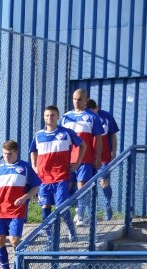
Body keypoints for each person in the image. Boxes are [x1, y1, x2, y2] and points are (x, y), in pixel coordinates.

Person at [0, 140, 41, 269]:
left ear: (16, 153)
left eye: (9, 154)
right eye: (4, 154)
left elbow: (35, 187)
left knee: (14, 240)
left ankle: (20, 261)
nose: (7, 156)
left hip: (17, 210)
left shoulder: (25, 167)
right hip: (0, 211)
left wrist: (25, 197)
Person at [29, 105, 84, 242]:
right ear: (44, 117)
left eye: (53, 115)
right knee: (45, 206)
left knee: (61, 207)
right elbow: (32, 151)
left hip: (61, 177)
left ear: (58, 117)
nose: (50, 118)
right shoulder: (38, 135)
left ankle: (71, 230)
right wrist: (34, 165)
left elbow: (83, 145)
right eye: (47, 115)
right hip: (44, 179)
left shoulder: (66, 133)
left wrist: (77, 164)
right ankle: (50, 237)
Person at [60, 89, 104, 225]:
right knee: (65, 186)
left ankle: (79, 215)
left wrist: (98, 158)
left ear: (85, 101)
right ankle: (63, 214)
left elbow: (98, 139)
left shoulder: (92, 117)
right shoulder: (66, 117)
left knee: (82, 186)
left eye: (79, 99)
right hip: (68, 159)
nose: (76, 102)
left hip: (85, 159)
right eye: (74, 99)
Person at [86, 98, 120, 220]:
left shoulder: (106, 117)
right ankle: (90, 214)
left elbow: (113, 135)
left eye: (92, 111)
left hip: (104, 157)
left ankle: (107, 205)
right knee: (88, 185)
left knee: (104, 182)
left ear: (97, 108)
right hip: (89, 158)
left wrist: (114, 151)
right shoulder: (84, 118)